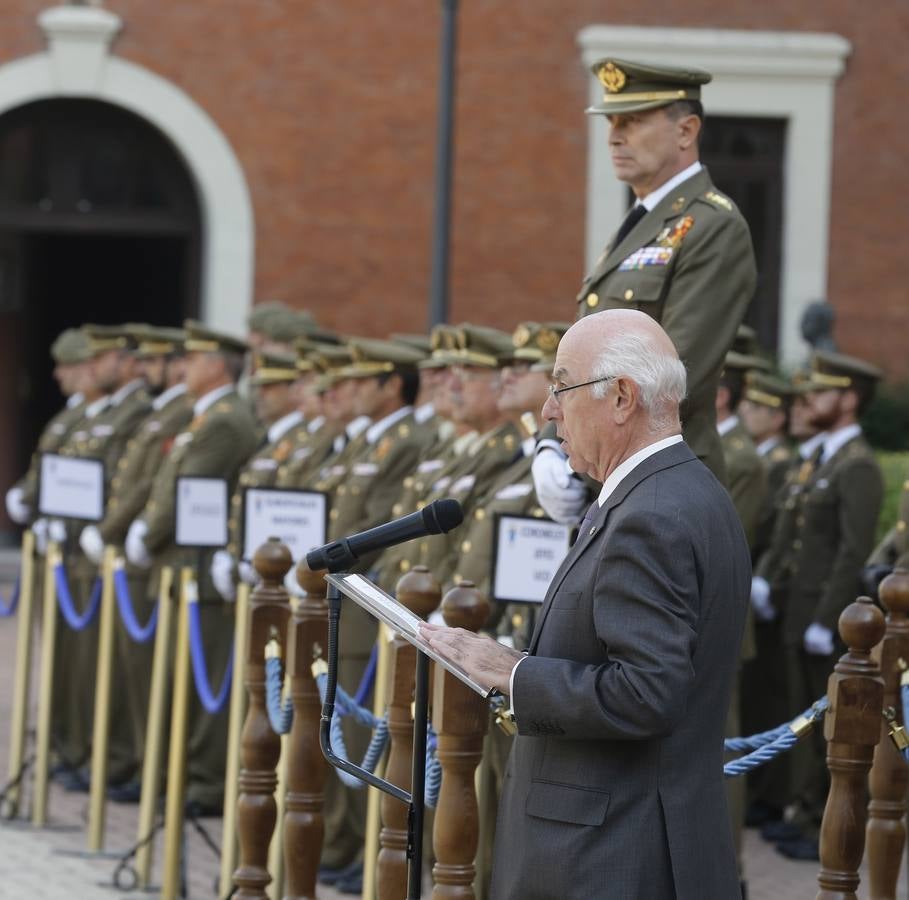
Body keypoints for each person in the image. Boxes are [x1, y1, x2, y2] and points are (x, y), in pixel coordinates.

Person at [423, 309, 750, 900]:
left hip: (610, 855)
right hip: (633, 837)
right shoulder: (684, 491)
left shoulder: (649, 514)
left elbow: (647, 693)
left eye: (561, 386)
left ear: (622, 397)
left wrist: (512, 673)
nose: (548, 410)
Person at [534, 57, 757, 526]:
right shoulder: (642, 224)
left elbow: (675, 375)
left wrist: (575, 455)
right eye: (612, 122)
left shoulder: (712, 225)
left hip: (662, 486)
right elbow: (582, 362)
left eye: (634, 121)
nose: (615, 135)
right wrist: (551, 444)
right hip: (612, 478)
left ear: (686, 130)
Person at [753, 351, 884, 861]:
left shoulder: (859, 466)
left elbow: (852, 551)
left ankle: (820, 822)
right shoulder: (822, 460)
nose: (807, 402)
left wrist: (827, 617)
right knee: (805, 720)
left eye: (820, 393)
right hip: (798, 612)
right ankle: (806, 811)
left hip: (825, 620)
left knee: (830, 726)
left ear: (849, 399)